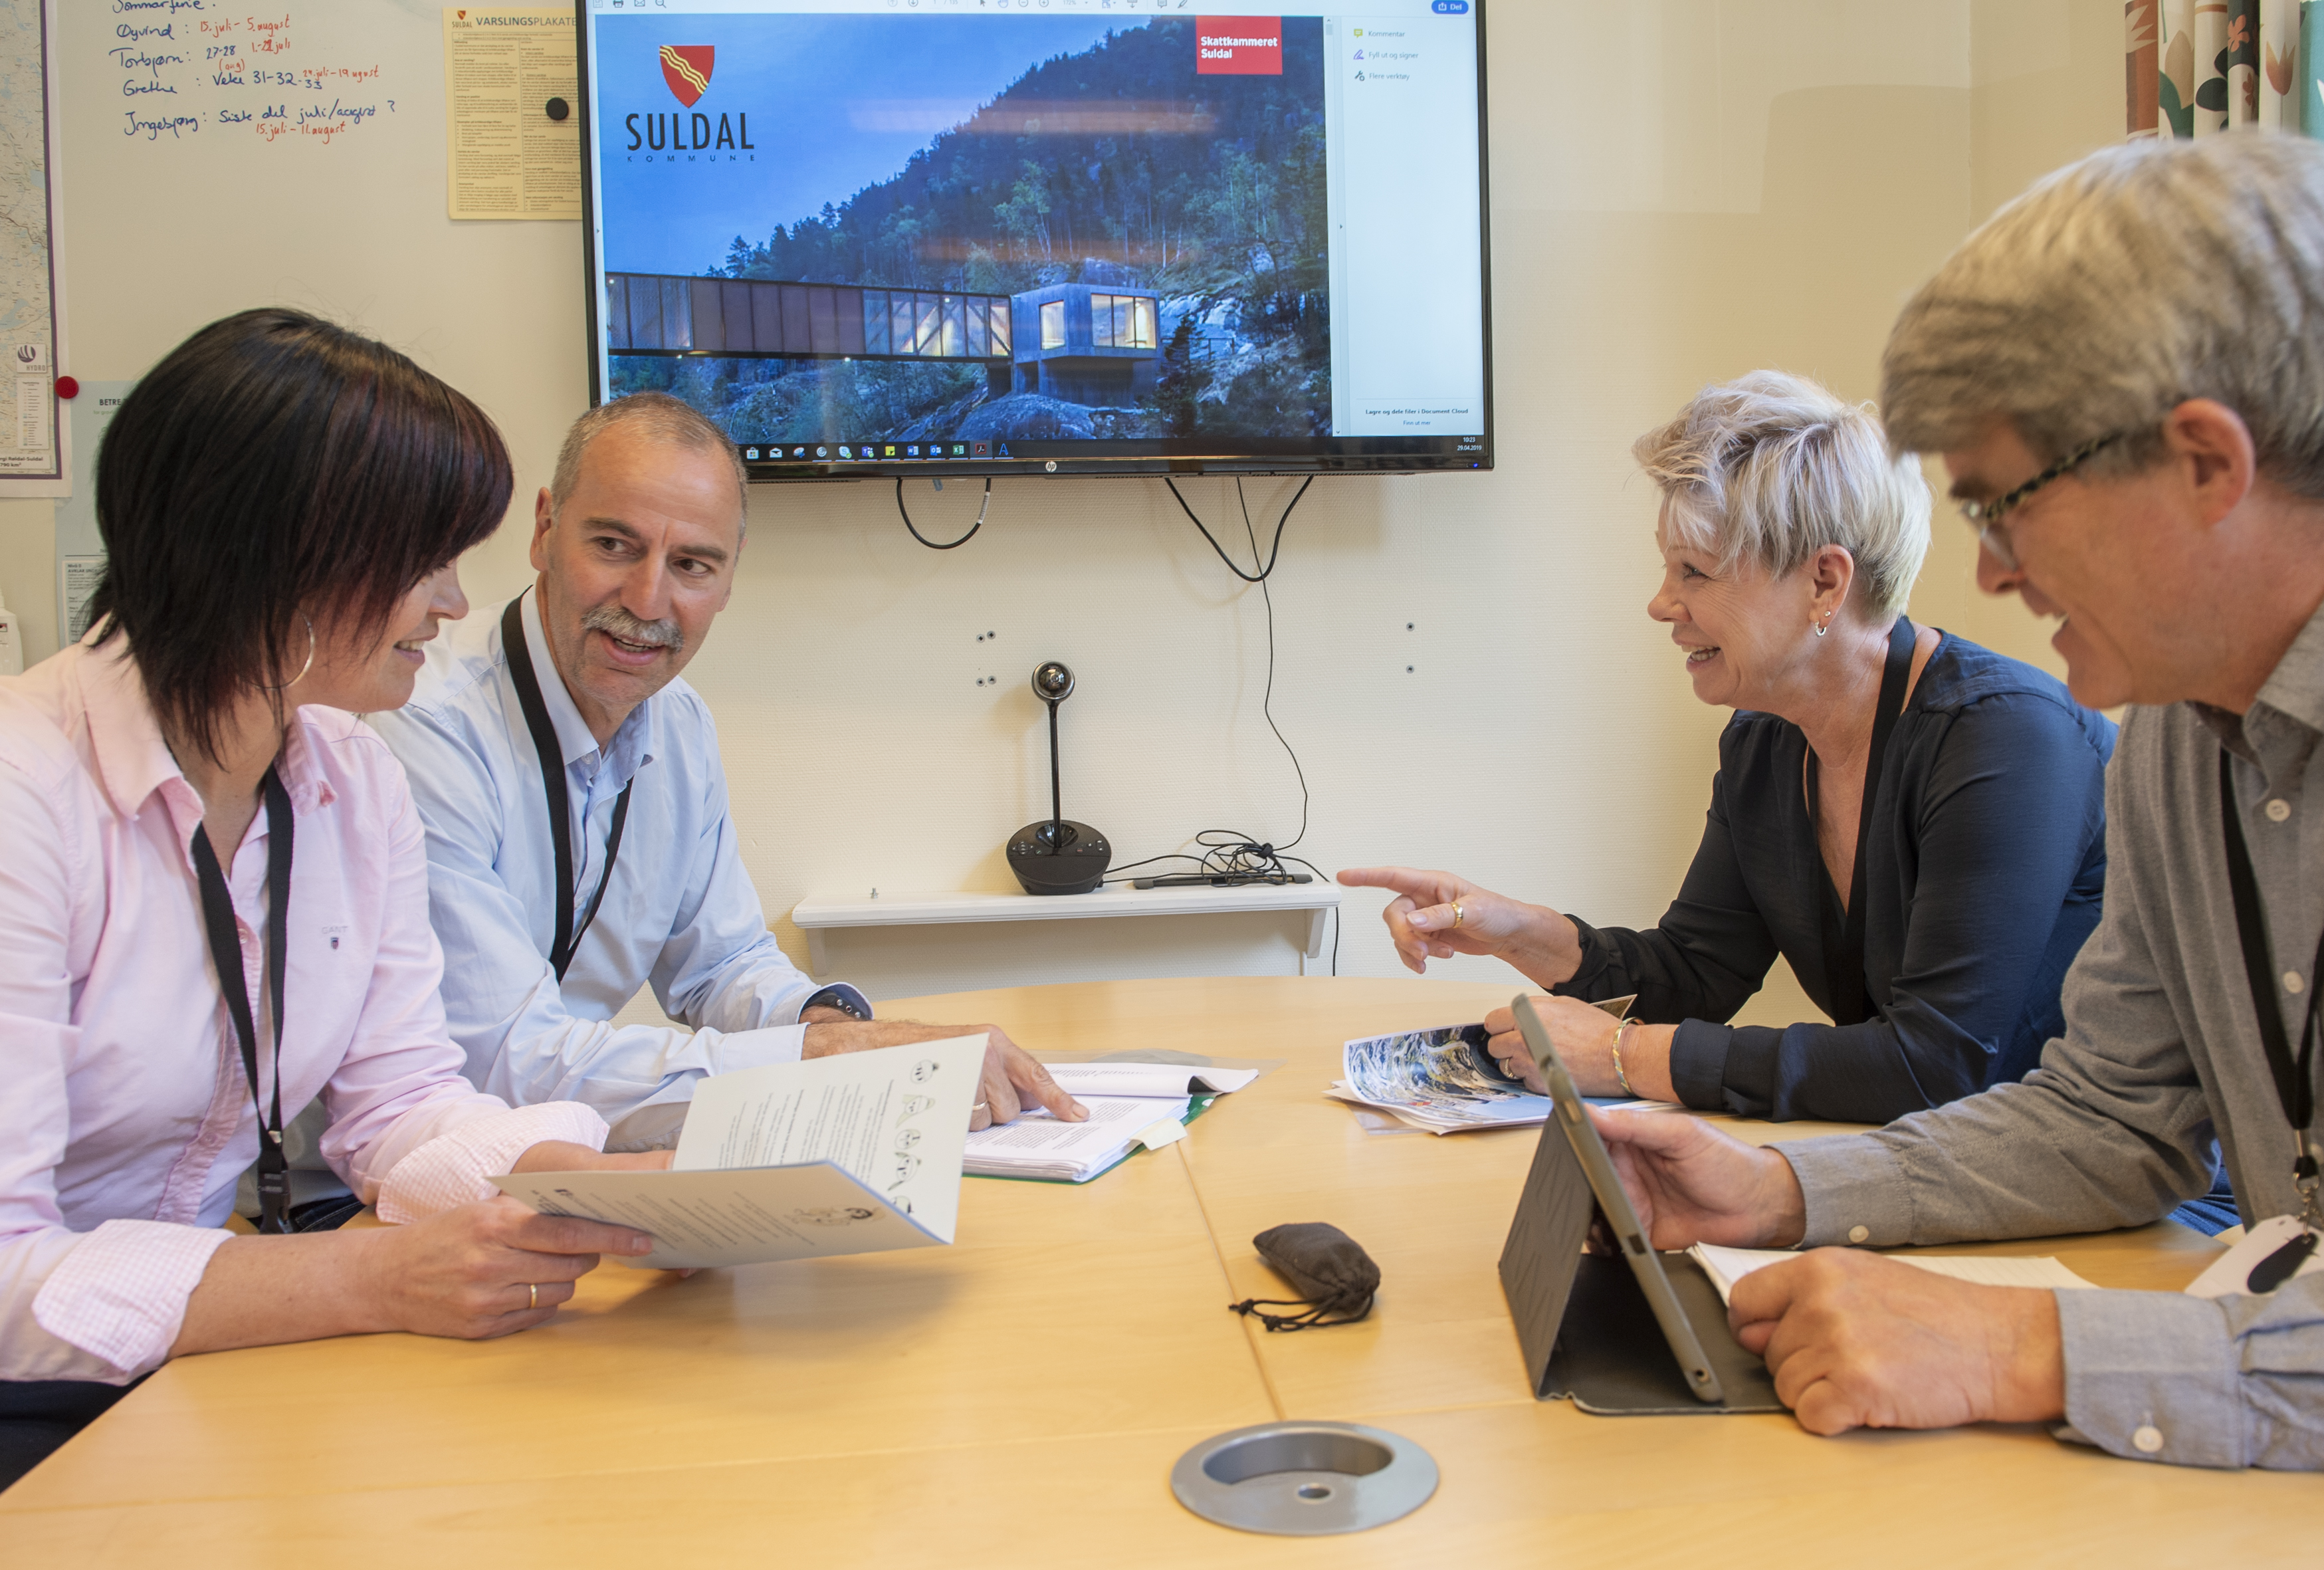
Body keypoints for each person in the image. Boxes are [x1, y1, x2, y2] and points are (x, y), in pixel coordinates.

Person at [1590, 132, 2324, 1470]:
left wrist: (2012, 1345)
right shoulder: (2172, 741)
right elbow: (2107, 1118)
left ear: (2203, 465)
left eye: (2005, 505)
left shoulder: (2032, 729)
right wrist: (1777, 1186)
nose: (1986, 574)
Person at [0, 310, 667, 1490]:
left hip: (189, 1367)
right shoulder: (26, 791)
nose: (452, 603)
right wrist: (370, 1277)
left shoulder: (351, 777)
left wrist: (602, 1190)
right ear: (276, 556)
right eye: (425, 561)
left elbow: (397, 1103)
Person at [1342, 371, 2114, 1126]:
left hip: (2099, 1175)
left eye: (1694, 572)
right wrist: (1517, 931)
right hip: (1950, 1158)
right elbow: (1695, 971)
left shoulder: (2005, 740)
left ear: (1823, 583)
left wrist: (1624, 1056)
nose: (1660, 603)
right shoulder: (1764, 741)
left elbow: (1934, 1064)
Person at [366, 394, 1084, 1150]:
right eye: (613, 545)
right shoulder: (422, 723)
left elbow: (721, 966)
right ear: (545, 530)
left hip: (548, 1154)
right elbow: (503, 1063)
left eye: (691, 565)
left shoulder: (678, 722)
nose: (647, 600)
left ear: (730, 576)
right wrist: (829, 1060)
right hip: (383, 1180)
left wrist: (830, 1028)